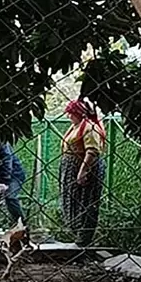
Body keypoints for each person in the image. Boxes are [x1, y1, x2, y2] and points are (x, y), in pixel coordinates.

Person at [59, 97, 106, 248]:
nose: (69, 116)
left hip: (82, 167)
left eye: (71, 113)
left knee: (85, 202)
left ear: (79, 113)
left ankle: (83, 239)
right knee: (72, 200)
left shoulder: (89, 127)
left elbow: (92, 151)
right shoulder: (75, 127)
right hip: (71, 167)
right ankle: (77, 233)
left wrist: (83, 171)